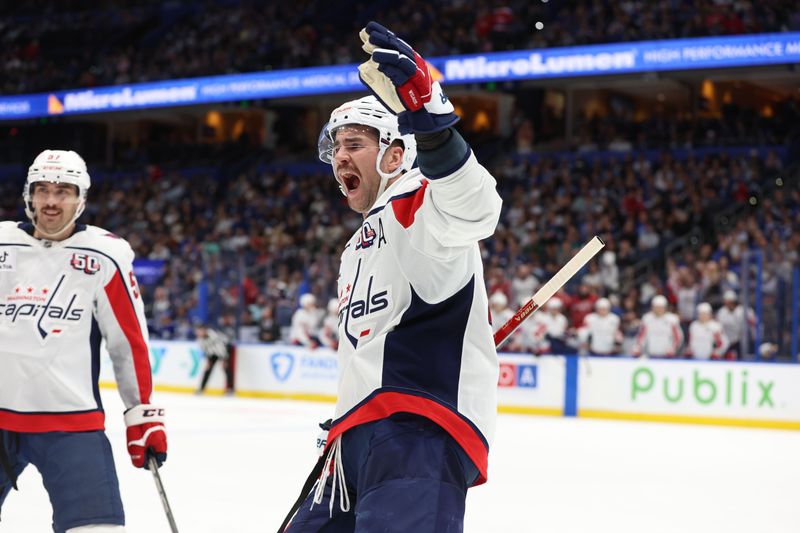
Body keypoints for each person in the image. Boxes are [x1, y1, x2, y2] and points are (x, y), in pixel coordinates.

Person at [284, 22, 502, 532]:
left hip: (415, 430)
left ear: (395, 154)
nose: (340, 156)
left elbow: (477, 209)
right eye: (335, 146)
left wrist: (433, 128)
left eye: (355, 143)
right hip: (352, 440)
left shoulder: (416, 201)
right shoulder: (357, 244)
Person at [0, 150, 167, 533]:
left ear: (81, 198)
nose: (52, 201)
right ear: (29, 194)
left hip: (70, 422)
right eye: (42, 190)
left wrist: (140, 413)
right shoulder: (2, 244)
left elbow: (128, 341)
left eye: (63, 191)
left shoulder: (104, 253)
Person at [195, 323, 234, 394]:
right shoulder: (199, 340)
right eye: (198, 331)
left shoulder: (213, 335)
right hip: (213, 353)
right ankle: (201, 389)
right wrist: (208, 360)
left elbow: (222, 348)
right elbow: (205, 350)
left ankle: (230, 389)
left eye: (200, 331)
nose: (199, 333)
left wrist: (224, 360)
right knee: (207, 370)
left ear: (205, 330)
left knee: (226, 369)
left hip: (224, 349)